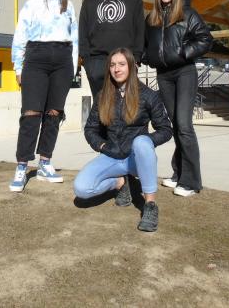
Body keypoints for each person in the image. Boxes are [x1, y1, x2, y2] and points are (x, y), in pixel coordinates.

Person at [73, 48, 172, 232]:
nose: (116, 69)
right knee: (81, 189)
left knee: (141, 142)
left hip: (137, 158)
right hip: (112, 156)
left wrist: (146, 142)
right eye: (112, 65)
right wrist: (102, 145)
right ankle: (120, 182)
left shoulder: (148, 95)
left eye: (121, 64)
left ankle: (150, 205)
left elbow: (166, 129)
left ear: (132, 67)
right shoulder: (103, 95)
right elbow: (90, 129)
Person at [144, 0, 213, 198]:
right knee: (175, 125)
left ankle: (192, 182)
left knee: (184, 125)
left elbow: (205, 38)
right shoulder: (151, 18)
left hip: (184, 73)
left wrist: (185, 52)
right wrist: (148, 57)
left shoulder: (187, 14)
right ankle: (178, 173)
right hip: (164, 76)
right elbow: (145, 47)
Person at [9, 0, 78, 192]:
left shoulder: (69, 6)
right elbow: (20, 36)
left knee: (54, 113)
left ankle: (45, 163)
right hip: (36, 59)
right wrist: (18, 67)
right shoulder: (32, 4)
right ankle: (21, 166)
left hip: (63, 60)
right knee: (31, 113)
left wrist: (73, 66)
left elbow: (74, 38)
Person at [78, 0, 144, 99]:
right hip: (96, 63)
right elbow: (82, 33)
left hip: (124, 61)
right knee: (101, 110)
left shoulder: (134, 1)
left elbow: (140, 32)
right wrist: (87, 62)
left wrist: (136, 60)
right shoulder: (89, 2)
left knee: (125, 110)